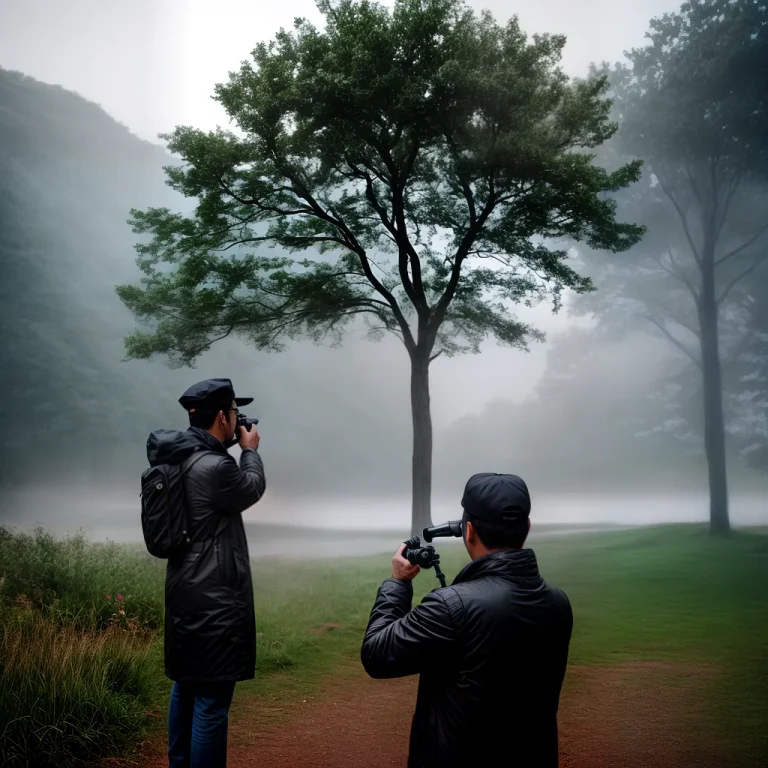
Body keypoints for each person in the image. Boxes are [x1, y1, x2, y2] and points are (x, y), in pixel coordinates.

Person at [360, 472, 573, 768]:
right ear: (527, 527)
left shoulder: (451, 606)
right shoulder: (558, 602)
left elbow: (377, 655)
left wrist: (398, 583)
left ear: (468, 531)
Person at [146, 378, 266, 768]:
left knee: (186, 685)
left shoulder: (178, 458)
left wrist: (228, 443)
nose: (238, 420)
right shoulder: (217, 467)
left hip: (183, 592)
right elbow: (251, 488)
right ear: (221, 416)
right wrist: (249, 451)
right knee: (212, 701)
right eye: (234, 413)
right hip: (216, 601)